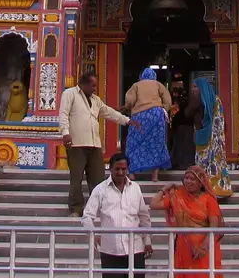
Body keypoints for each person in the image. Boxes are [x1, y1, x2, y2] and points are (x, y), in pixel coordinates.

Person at [60, 72, 138, 217]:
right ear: (83, 84)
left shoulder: (96, 100)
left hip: (94, 144)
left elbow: (109, 112)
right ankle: (76, 209)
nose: (95, 88)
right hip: (77, 143)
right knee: (76, 178)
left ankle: (96, 208)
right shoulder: (70, 94)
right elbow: (63, 114)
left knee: (97, 178)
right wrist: (65, 132)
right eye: (93, 85)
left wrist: (127, 120)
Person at [81, 153, 153, 278]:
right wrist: (93, 233)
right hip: (110, 250)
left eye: (123, 169)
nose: (120, 172)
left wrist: (147, 240)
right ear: (110, 168)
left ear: (128, 169)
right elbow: (87, 216)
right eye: (117, 169)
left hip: (135, 249)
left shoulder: (135, 188)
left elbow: (144, 216)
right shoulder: (100, 189)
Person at [151, 165, 224, 278]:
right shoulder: (178, 197)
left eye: (192, 179)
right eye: (186, 178)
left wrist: (203, 247)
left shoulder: (209, 200)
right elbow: (153, 204)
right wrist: (165, 188)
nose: (188, 181)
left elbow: (214, 227)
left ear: (200, 183)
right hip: (183, 245)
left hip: (203, 247)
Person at [124, 67, 172, 182]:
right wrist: (163, 110)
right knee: (156, 143)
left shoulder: (136, 85)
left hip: (140, 116)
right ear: (154, 76)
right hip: (156, 115)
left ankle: (132, 174)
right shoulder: (158, 85)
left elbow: (130, 100)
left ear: (142, 76)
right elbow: (168, 101)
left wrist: (128, 109)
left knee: (134, 143)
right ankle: (154, 177)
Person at [190, 78, 232, 198]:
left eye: (195, 87)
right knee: (201, 163)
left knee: (215, 163)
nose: (193, 90)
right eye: (192, 87)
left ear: (202, 88)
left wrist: (214, 139)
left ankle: (217, 189)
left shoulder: (215, 101)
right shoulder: (197, 102)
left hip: (214, 139)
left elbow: (218, 122)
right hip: (201, 137)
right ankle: (202, 188)